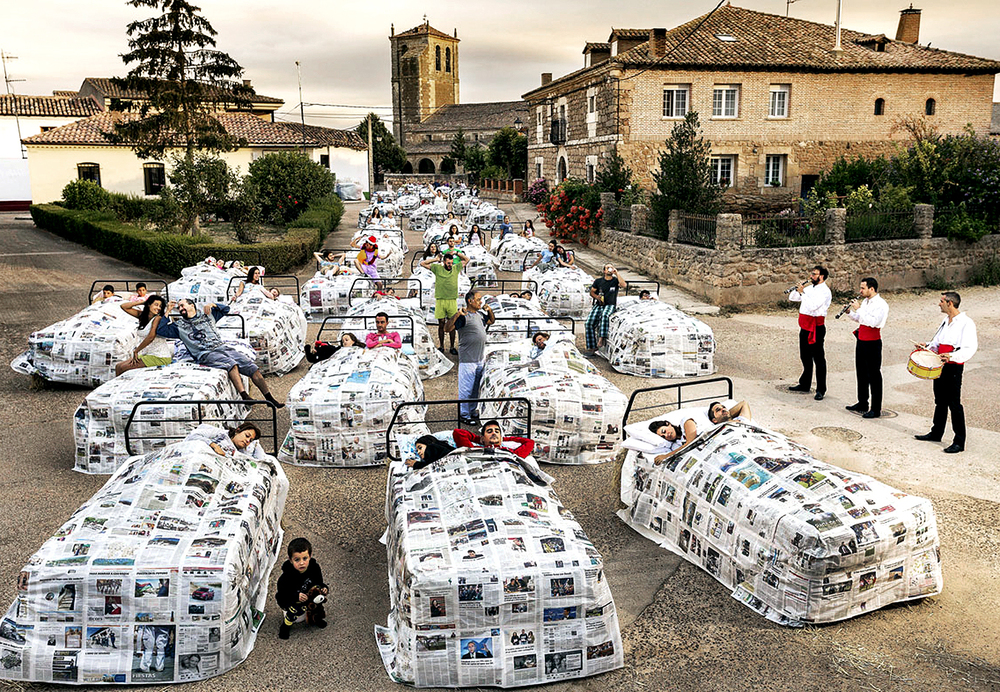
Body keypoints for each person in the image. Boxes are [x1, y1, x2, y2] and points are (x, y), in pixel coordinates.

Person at [156, 298, 284, 408]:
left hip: (222, 347)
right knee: (231, 364)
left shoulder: (207, 315)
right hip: (205, 353)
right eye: (179, 307)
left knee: (252, 368)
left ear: (192, 305)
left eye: (183, 305)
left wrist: (213, 305)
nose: (180, 308)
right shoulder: (178, 326)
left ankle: (269, 399)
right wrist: (167, 311)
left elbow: (226, 309)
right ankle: (244, 396)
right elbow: (161, 330)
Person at [914, 291, 978, 453]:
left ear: (950, 303)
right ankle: (936, 433)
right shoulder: (945, 320)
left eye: (941, 301)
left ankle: (959, 441)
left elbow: (970, 348)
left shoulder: (966, 323)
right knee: (940, 400)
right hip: (940, 364)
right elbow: (937, 343)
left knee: (954, 403)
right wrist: (927, 346)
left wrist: (951, 356)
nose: (939, 303)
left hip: (953, 366)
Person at [446, 290, 495, 424]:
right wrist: (456, 314)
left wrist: (489, 310)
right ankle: (464, 415)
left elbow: (491, 320)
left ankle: (472, 411)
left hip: (479, 358)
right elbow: (447, 328)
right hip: (468, 360)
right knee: (466, 389)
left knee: (475, 389)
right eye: (478, 300)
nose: (480, 302)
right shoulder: (463, 316)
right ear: (470, 301)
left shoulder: (479, 315)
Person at [845, 277, 889, 419]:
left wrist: (859, 309)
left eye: (863, 288)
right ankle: (862, 402)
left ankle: (876, 409)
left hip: (873, 342)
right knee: (861, 372)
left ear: (872, 288)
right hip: (862, 340)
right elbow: (860, 318)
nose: (860, 290)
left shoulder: (881, 304)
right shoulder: (865, 302)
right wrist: (850, 313)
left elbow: (873, 322)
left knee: (874, 375)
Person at [788, 265, 832, 400]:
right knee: (805, 355)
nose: (811, 276)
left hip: (816, 327)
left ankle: (821, 389)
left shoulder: (825, 291)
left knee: (818, 358)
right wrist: (798, 290)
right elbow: (793, 298)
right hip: (805, 326)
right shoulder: (809, 288)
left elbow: (813, 307)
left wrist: (802, 293)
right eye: (811, 274)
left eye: (814, 274)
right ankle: (805, 383)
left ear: (822, 276)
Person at [275, 537, 328, 640]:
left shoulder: (314, 568)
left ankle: (316, 618)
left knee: (318, 602)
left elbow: (319, 582)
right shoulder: (286, 577)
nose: (302, 563)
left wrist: (324, 588)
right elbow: (281, 595)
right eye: (297, 560)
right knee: (294, 611)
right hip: (293, 600)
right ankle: (286, 625)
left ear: (310, 556)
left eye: (305, 558)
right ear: (290, 560)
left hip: (310, 596)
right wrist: (295, 596)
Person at [115, 295, 173, 375]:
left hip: (159, 356)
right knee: (118, 366)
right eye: (156, 305)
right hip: (147, 354)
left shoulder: (158, 318)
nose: (158, 308)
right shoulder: (142, 316)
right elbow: (124, 306)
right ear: (149, 304)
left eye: (160, 306)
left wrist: (136, 351)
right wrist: (143, 302)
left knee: (123, 368)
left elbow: (151, 337)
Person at [420, 253, 462, 355]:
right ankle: (441, 346)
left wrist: (456, 253)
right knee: (441, 323)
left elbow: (467, 259)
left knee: (452, 325)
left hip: (452, 300)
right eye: (448, 263)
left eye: (451, 263)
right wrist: (435, 259)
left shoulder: (456, 268)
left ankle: (452, 346)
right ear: (444, 262)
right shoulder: (437, 268)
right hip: (440, 300)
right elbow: (423, 263)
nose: (450, 265)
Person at [585, 264, 627, 353]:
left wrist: (617, 273)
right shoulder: (598, 281)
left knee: (605, 315)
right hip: (599, 304)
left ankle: (601, 339)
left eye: (611, 267)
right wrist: (597, 297)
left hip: (610, 304)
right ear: (604, 271)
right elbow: (592, 292)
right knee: (589, 322)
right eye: (607, 268)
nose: (609, 269)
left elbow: (624, 285)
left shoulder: (615, 281)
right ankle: (592, 346)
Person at [454, 419, 535, 459]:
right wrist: (479, 439)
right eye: (489, 431)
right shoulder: (473, 450)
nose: (494, 433)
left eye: (497, 431)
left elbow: (529, 442)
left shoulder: (511, 453)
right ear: (482, 438)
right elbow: (458, 433)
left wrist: (501, 439)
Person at [192, 422, 261, 457]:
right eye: (247, 436)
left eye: (251, 440)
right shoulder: (221, 434)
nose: (247, 441)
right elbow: (194, 435)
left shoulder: (245, 452)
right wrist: (213, 445)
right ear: (237, 430)